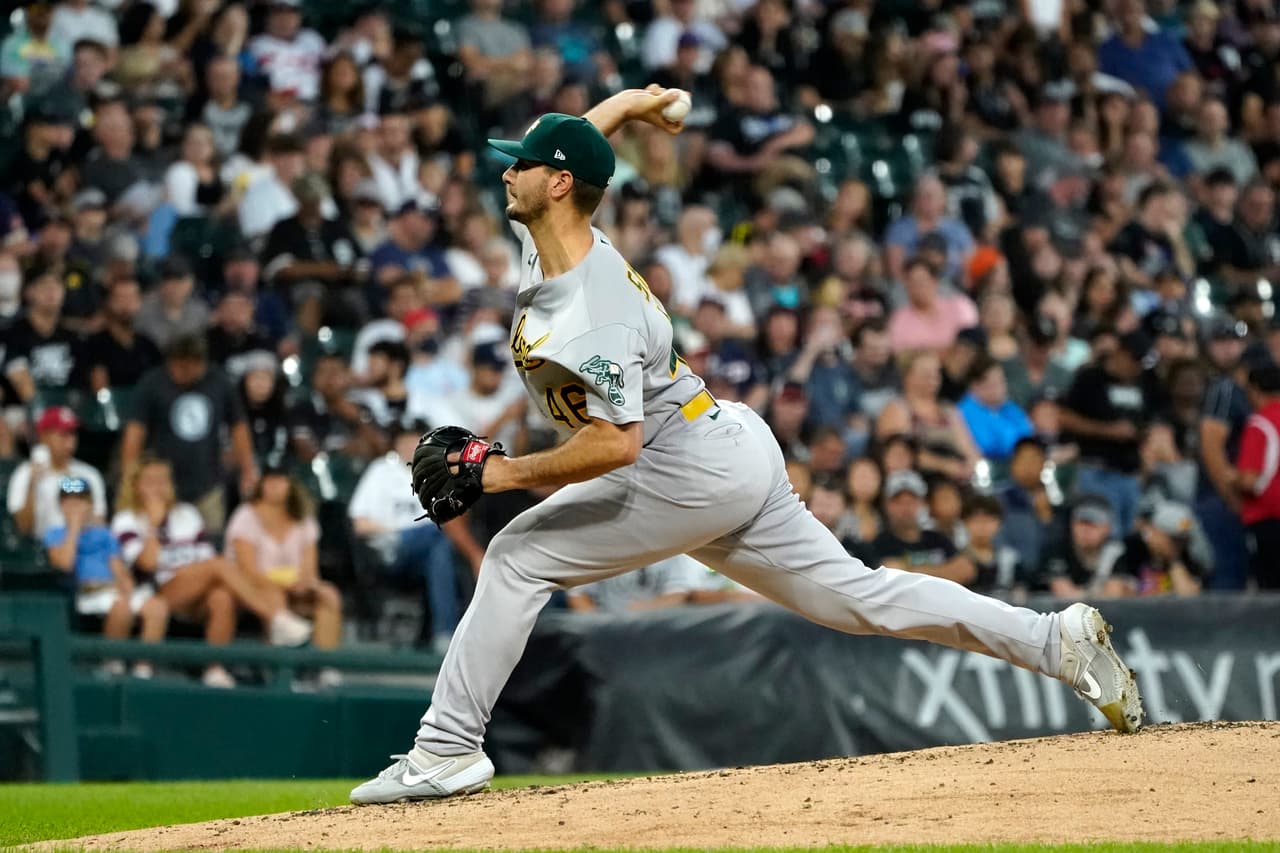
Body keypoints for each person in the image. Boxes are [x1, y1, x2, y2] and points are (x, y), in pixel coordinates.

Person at [349, 94, 1144, 805]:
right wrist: (633, 102)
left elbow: (616, 446)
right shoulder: (557, 236)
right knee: (858, 597)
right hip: (722, 442)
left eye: (520, 165)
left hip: (677, 463)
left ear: (557, 185)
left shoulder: (590, 307)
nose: (506, 173)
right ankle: (1055, 640)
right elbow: (582, 139)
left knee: (519, 554)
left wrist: (501, 473)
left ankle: (446, 748)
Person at [112, 456, 312, 687]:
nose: (158, 488)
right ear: (136, 485)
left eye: (163, 481)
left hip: (197, 589)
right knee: (219, 564)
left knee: (222, 597)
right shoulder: (127, 519)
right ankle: (276, 617)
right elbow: (147, 564)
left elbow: (204, 558)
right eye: (150, 481)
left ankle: (215, 669)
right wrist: (154, 524)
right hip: (157, 592)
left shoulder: (187, 514)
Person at [347, 420, 477, 653]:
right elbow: (360, 524)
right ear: (395, 444)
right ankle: (446, 634)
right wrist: (396, 534)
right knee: (440, 534)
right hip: (386, 550)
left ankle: (443, 635)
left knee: (440, 552)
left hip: (421, 555)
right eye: (404, 441)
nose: (410, 447)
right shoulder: (381, 470)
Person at [120, 334, 257, 535]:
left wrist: (247, 469)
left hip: (207, 484)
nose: (181, 372)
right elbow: (135, 431)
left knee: (210, 542)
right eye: (177, 366)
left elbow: (238, 426)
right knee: (164, 542)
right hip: (160, 486)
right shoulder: (152, 384)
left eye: (189, 367)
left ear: (201, 363)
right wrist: (129, 475)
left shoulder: (219, 382)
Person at [45, 476, 168, 671]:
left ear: (90, 504)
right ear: (61, 505)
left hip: (111, 590)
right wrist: (74, 528)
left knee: (157, 607)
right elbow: (64, 564)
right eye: (70, 500)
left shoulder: (103, 534)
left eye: (81, 500)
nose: (76, 506)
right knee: (121, 607)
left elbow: (117, 567)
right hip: (83, 594)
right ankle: (112, 664)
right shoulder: (54, 534)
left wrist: (126, 583)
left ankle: (143, 668)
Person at [224, 469, 342, 659]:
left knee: (329, 595)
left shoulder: (304, 519)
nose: (275, 486)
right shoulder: (245, 518)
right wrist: (283, 585)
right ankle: (276, 667)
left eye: (280, 480)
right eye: (270, 481)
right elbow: (247, 571)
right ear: (261, 484)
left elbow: (310, 568)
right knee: (273, 595)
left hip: (295, 585)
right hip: (254, 588)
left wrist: (304, 583)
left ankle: (323, 666)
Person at [7, 406, 106, 540]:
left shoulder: (89, 474)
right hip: (40, 550)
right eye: (63, 434)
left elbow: (99, 523)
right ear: (44, 437)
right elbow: (23, 528)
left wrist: (79, 510)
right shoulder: (24, 474)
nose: (70, 441)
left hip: (80, 546)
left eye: (73, 433)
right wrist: (32, 485)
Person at [1235, 364, 1280, 589]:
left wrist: (1230, 477)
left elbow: (1249, 480)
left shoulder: (1260, 423)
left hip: (1268, 519)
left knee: (1269, 592)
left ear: (1254, 390)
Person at [1038, 495, 1128, 600]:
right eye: (1080, 524)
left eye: (1093, 525)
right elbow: (1065, 596)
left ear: (1107, 528)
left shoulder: (1115, 552)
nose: (1085, 531)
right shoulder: (1057, 549)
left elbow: (1113, 596)